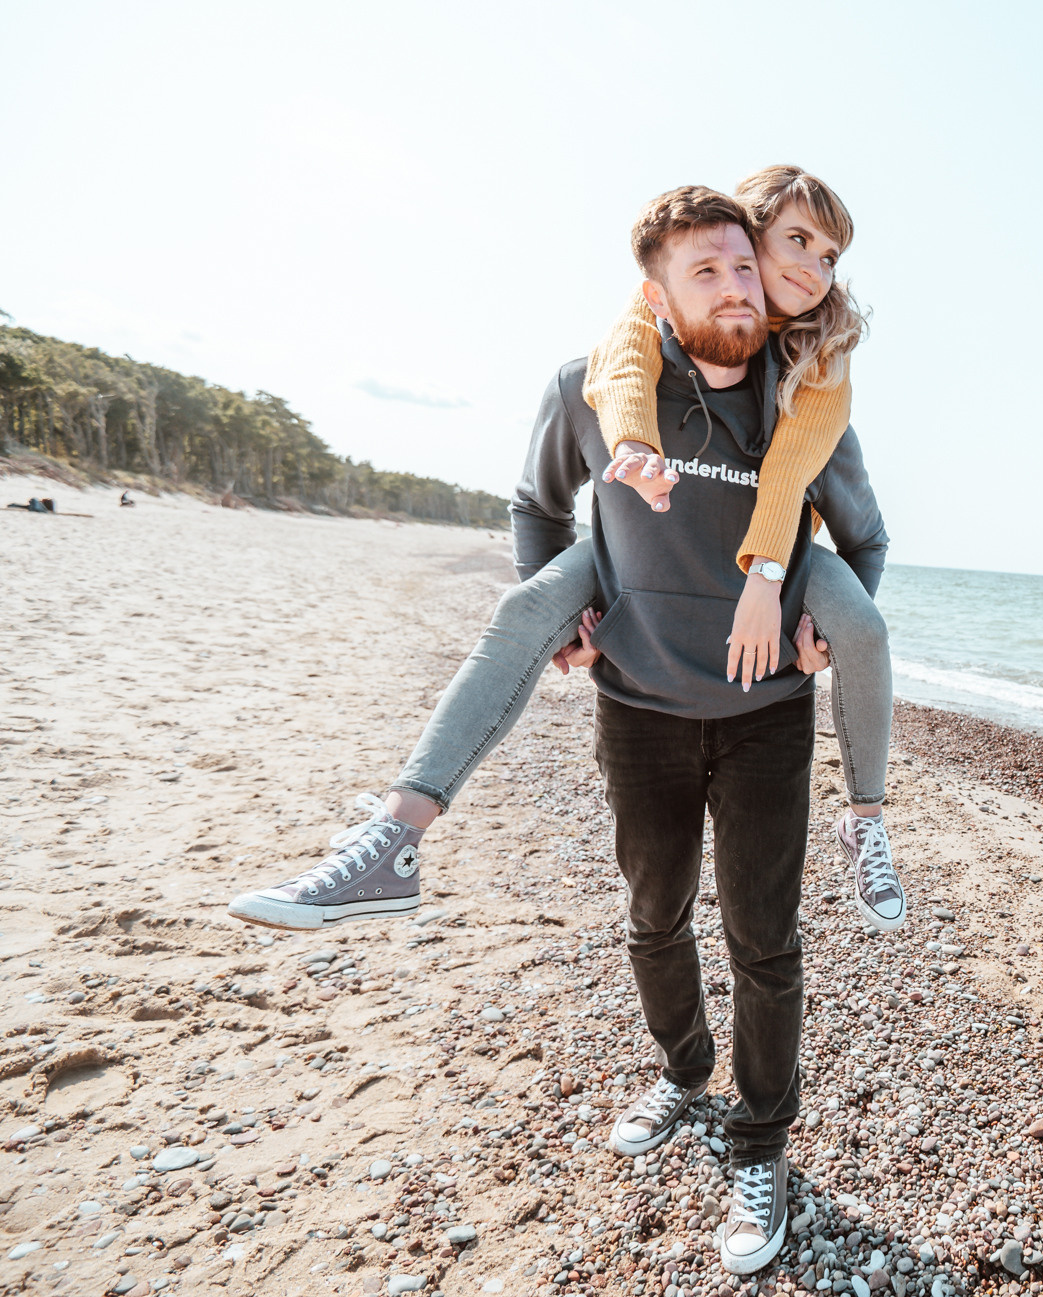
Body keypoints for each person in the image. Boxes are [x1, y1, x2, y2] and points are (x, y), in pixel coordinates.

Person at [226, 164, 903, 935]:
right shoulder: (636, 332)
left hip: (777, 572)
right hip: (632, 568)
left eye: (829, 256)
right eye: (793, 243)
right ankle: (397, 834)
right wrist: (578, 615)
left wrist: (804, 620)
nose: (810, 270)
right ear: (735, 239)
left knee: (865, 629)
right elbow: (581, 430)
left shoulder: (819, 361)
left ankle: (867, 819)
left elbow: (834, 508)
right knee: (525, 607)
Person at [516, 185, 888, 1274]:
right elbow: (537, 507)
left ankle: (760, 1143)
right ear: (660, 288)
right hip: (637, 706)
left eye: (747, 266)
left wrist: (823, 626)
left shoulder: (802, 393)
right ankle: (684, 1075)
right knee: (653, 914)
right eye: (711, 270)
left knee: (764, 939)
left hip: (770, 711)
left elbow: (864, 537)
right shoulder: (595, 384)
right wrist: (561, 621)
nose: (738, 287)